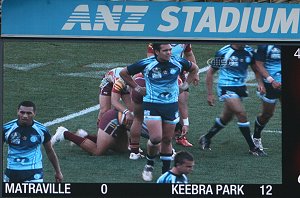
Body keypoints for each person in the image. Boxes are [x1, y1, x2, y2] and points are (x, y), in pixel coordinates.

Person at [120, 43, 199, 182]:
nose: (169, 53)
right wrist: (137, 88)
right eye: (165, 50)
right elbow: (124, 73)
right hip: (153, 104)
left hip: (171, 105)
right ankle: (150, 164)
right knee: (156, 138)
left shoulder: (178, 62)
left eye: (170, 50)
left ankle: (165, 172)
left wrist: (185, 85)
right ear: (157, 52)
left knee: (167, 140)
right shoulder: (146, 64)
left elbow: (194, 68)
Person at [199, 44, 267, 156]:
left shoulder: (249, 51)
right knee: (241, 113)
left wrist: (260, 84)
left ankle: (206, 138)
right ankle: (253, 148)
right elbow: (210, 72)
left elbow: (256, 70)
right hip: (226, 87)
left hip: (240, 87)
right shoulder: (223, 52)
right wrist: (210, 94)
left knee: (227, 117)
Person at [147, 43, 196, 147]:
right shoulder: (156, 42)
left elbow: (189, 54)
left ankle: (181, 135)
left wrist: (196, 74)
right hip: (162, 76)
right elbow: (150, 60)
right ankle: (161, 133)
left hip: (179, 73)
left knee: (182, 102)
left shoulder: (184, 39)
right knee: (174, 101)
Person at [3, 101, 63, 182]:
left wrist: (58, 172)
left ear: (34, 113)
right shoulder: (6, 129)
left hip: (34, 171)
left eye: (29, 113)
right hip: (12, 170)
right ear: (17, 112)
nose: (25, 116)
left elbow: (49, 151)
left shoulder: (42, 130)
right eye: (22, 112)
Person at [51, 108, 149, 156]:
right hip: (113, 119)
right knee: (98, 151)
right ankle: (65, 134)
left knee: (122, 150)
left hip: (123, 123)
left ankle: (85, 136)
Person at [253, 45, 281, 150]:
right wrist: (271, 80)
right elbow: (259, 65)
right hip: (270, 85)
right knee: (267, 114)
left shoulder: (293, 40)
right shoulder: (265, 45)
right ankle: (256, 136)